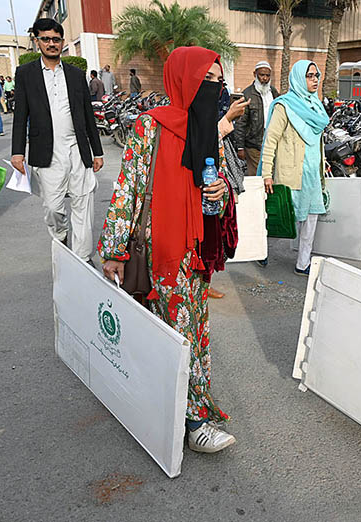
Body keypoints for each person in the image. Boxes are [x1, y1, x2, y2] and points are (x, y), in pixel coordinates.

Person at [99, 46, 248, 453]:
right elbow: (128, 188)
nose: (215, 89)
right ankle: (194, 421)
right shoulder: (152, 126)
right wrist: (114, 249)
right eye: (208, 81)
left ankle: (176, 407)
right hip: (162, 251)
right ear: (184, 80)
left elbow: (209, 192)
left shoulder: (206, 129)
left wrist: (222, 192)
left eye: (219, 82)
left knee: (193, 334)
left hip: (196, 251)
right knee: (180, 335)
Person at [11, 18, 104, 264]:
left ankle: (82, 259)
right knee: (53, 208)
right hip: (46, 152)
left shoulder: (75, 74)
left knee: (83, 205)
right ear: (37, 41)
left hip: (77, 149)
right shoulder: (25, 74)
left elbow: (87, 114)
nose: (51, 44)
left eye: (56, 39)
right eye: (46, 39)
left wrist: (98, 151)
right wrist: (17, 152)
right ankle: (61, 238)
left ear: (62, 42)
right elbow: (21, 115)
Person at [259, 60, 329, 276]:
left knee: (312, 217)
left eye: (316, 75)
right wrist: (266, 174)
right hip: (290, 172)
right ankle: (260, 250)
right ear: (299, 78)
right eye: (310, 76)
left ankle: (303, 262)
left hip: (312, 173)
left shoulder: (316, 105)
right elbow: (271, 140)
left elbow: (317, 141)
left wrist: (322, 162)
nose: (315, 80)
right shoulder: (284, 105)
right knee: (282, 218)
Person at [233, 61, 279, 176]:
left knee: (271, 176)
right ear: (255, 74)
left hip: (271, 141)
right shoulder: (247, 94)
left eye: (267, 75)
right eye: (261, 75)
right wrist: (240, 147)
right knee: (257, 178)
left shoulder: (273, 92)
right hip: (254, 145)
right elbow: (240, 123)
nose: (264, 78)